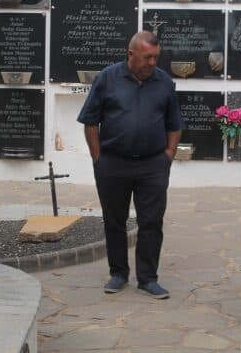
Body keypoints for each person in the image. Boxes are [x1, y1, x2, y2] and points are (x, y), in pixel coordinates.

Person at [77, 31, 183, 299]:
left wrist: (168, 154)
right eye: (147, 57)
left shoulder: (164, 83)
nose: (152, 63)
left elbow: (174, 124)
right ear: (131, 54)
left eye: (156, 57)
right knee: (114, 221)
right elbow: (91, 121)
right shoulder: (107, 78)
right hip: (113, 163)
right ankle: (118, 273)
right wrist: (98, 158)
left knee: (151, 221)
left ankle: (148, 278)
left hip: (152, 165)